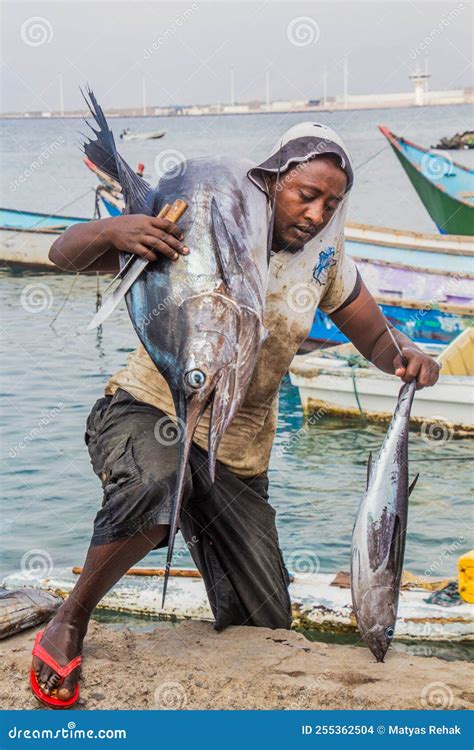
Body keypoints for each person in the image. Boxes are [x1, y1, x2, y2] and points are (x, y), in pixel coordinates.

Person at [31, 122, 440, 707]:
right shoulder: (197, 221)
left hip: (239, 453)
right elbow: (64, 256)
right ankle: (70, 619)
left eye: (331, 202)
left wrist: (406, 357)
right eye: (306, 194)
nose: (317, 212)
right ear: (271, 182)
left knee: (265, 620)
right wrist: (113, 229)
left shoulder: (324, 262)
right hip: (151, 411)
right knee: (159, 481)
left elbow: (376, 339)